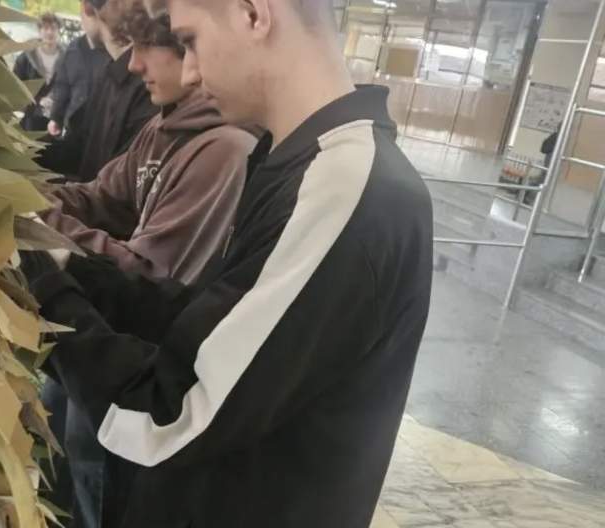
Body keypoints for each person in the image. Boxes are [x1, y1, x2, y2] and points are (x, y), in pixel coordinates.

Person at [26, 0, 433, 527]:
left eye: (190, 41)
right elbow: (209, 323)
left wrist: (46, 295)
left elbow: (173, 415)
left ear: (252, 13)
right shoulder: (296, 162)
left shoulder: (345, 188)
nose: (189, 72)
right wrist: (69, 266)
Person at [33, 2, 257, 526]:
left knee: (94, 467)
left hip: (142, 354)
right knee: (59, 431)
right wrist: (30, 196)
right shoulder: (162, 127)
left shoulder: (223, 149)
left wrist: (41, 232)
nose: (132, 66)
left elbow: (150, 271)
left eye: (146, 49)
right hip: (101, 322)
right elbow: (100, 196)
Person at [38, 0, 159, 180]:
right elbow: (80, 151)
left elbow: (118, 185)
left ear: (87, 7)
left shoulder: (150, 85)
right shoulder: (108, 74)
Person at [46, 5, 110, 138]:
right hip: (75, 125)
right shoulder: (73, 49)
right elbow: (62, 85)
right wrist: (56, 118)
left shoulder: (114, 50)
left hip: (103, 127)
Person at [13, 12, 65, 132]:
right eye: (45, 28)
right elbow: (15, 89)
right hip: (29, 121)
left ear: (58, 31)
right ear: (39, 31)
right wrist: (37, 101)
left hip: (56, 120)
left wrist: (54, 99)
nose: (49, 32)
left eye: (53, 28)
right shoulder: (25, 58)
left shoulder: (68, 59)